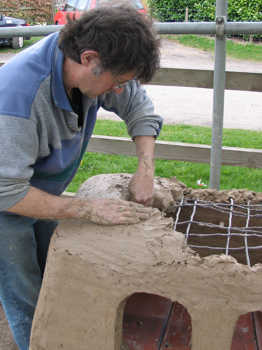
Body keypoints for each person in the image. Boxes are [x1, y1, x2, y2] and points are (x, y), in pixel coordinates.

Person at [0, 4, 162, 350]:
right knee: (23, 293)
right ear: (89, 58)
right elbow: (6, 192)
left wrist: (145, 170)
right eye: (118, 82)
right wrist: (85, 208)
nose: (119, 90)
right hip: (5, 202)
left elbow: (139, 108)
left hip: (42, 189)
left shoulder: (99, 69)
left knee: (54, 277)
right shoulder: (17, 97)